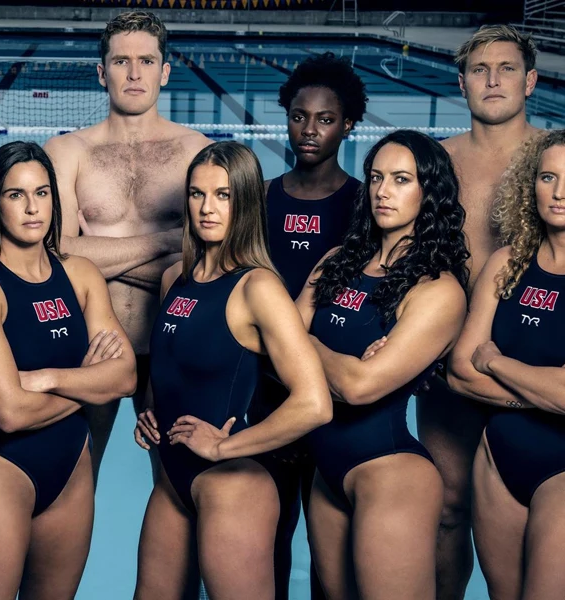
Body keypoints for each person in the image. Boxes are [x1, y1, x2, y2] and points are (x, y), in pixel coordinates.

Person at [132, 141, 332, 599]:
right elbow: (170, 364)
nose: (207, 208)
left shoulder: (257, 286)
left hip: (233, 486)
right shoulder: (174, 279)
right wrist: (148, 408)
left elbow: (314, 403)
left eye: (223, 195)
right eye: (197, 194)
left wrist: (226, 447)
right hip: (171, 479)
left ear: (244, 202)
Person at [0, 141, 136, 599]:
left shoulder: (81, 274)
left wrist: (50, 378)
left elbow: (125, 376)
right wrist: (90, 383)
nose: (33, 207)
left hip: (71, 469)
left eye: (43, 192)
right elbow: (8, 412)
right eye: (16, 195)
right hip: (0, 469)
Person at [297, 130, 469, 599]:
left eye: (401, 179)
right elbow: (272, 351)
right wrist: (340, 361)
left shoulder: (437, 291)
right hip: (326, 469)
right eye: (376, 177)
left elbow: (358, 388)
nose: (383, 191)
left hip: (389, 473)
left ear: (428, 192)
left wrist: (304, 343)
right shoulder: (336, 261)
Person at [44, 10, 211, 482]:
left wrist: (91, 253)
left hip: (173, 345)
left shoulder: (196, 150)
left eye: (146, 60)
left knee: (179, 484)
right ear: (102, 72)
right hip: (88, 344)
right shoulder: (68, 151)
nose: (134, 73)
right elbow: (54, 253)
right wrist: (169, 241)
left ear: (165, 71)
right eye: (121, 61)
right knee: (70, 482)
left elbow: (209, 259)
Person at [415, 24, 542, 599]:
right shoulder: (438, 163)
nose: (493, 81)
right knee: (447, 507)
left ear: (531, 81)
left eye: (507, 68)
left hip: (538, 356)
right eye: (480, 70)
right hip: (447, 361)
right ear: (462, 83)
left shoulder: (555, 162)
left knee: (537, 515)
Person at [248, 51, 367, 600]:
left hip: (335, 402)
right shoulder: (260, 199)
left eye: (325, 118)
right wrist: (279, 392)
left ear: (348, 123)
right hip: (263, 392)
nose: (310, 129)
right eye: (299, 116)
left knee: (331, 552)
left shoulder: (365, 206)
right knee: (264, 541)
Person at [448, 129, 565, 599]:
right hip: (497, 462)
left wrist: (496, 362)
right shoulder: (506, 263)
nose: (559, 193)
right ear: (529, 185)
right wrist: (542, 393)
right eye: (548, 177)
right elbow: (460, 370)